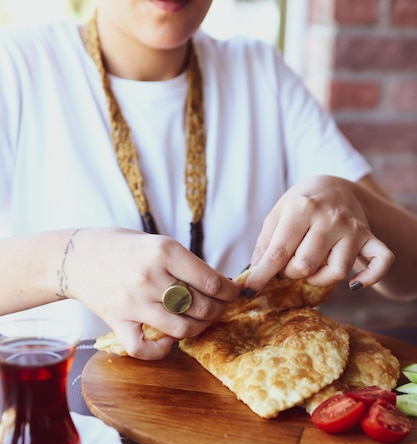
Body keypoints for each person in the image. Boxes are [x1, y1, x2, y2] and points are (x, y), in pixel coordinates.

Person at [0, 0, 416, 360]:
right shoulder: (18, 66)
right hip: (68, 421)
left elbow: (407, 280)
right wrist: (73, 260)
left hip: (237, 424)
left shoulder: (261, 73)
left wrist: (349, 196)